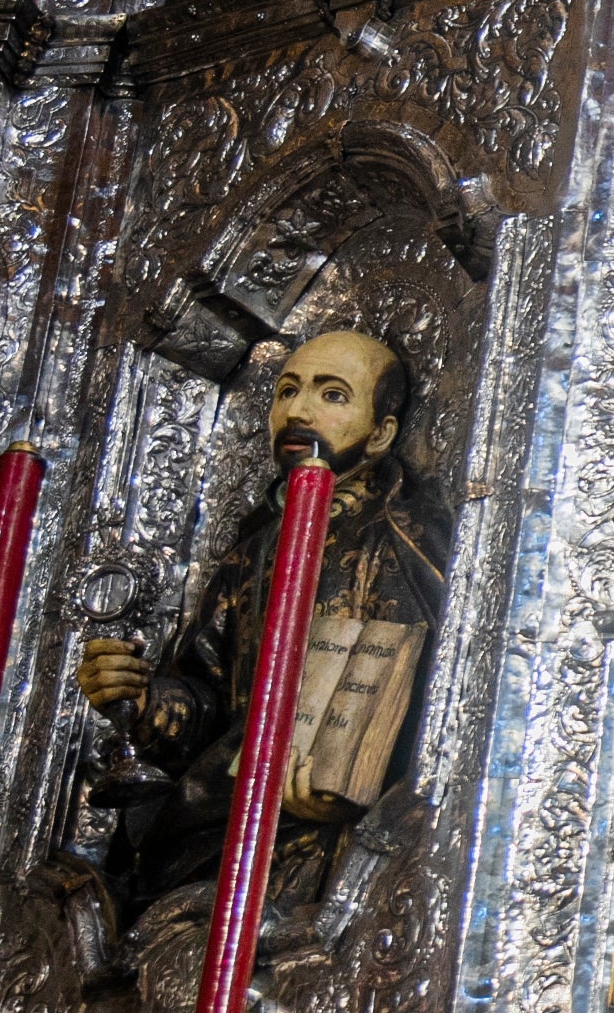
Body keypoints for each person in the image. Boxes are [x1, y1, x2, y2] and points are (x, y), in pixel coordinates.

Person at [78, 328, 451, 916]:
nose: (297, 411)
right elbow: (208, 694)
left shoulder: (414, 539)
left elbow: (456, 701)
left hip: (357, 849)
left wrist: (362, 779)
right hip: (235, 821)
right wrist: (144, 697)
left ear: (381, 433)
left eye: (332, 395)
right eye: (286, 391)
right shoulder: (254, 551)